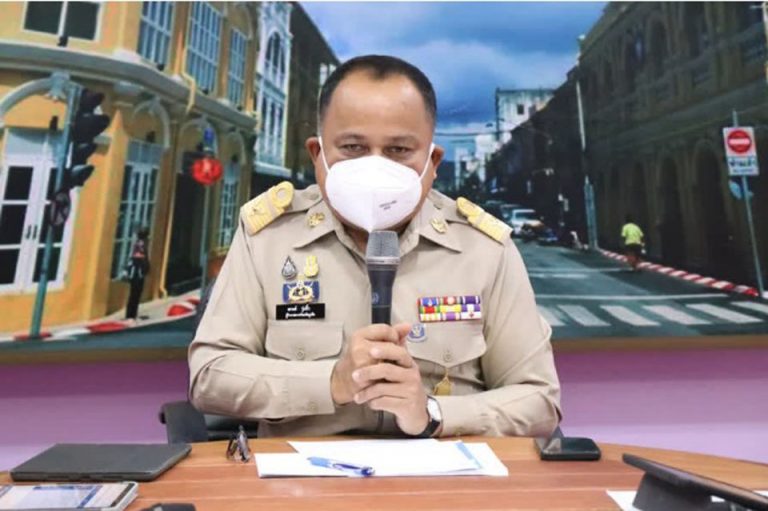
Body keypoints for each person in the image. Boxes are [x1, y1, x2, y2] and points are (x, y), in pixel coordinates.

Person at [188, 55, 561, 438]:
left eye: (399, 150)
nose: (375, 168)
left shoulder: (482, 247)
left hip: (445, 469)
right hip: (305, 472)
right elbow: (210, 375)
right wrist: (330, 382)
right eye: (352, 147)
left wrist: (433, 413)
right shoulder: (269, 237)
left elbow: (539, 400)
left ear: (432, 161)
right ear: (318, 155)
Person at [125, 227, 150, 320]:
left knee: (135, 294)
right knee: (135, 294)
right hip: (137, 273)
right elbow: (137, 257)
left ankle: (132, 314)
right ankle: (130, 315)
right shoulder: (140, 244)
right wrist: (144, 266)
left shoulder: (140, 244)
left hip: (138, 273)